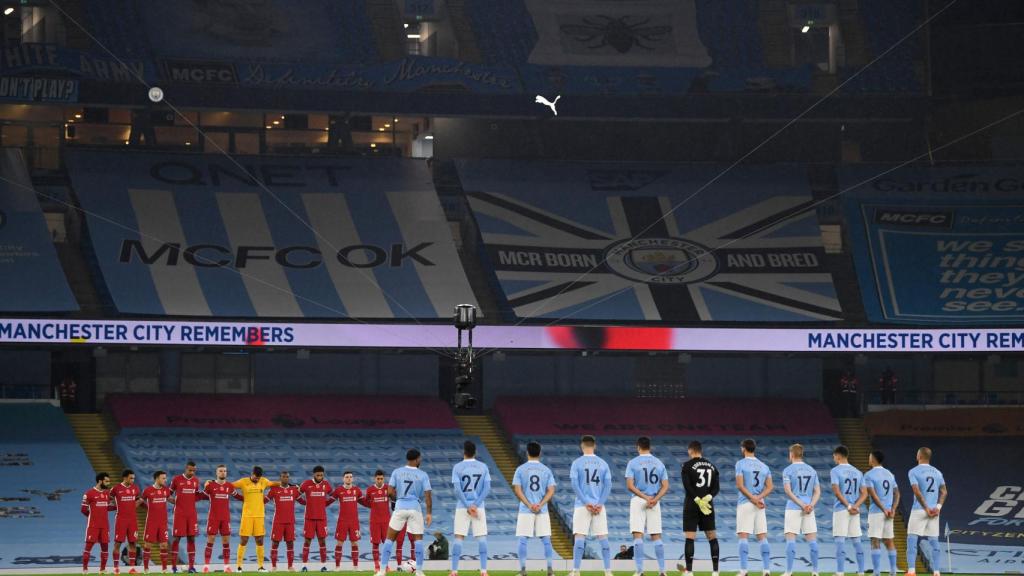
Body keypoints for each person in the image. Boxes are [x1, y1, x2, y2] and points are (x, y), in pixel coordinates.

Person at [374, 449, 433, 576]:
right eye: (420, 458)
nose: (420, 460)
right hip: (415, 508)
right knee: (418, 541)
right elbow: (428, 495)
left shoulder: (397, 472)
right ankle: (419, 571)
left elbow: (389, 492)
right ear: (417, 459)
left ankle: (382, 571)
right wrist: (429, 513)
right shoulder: (423, 475)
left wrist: (399, 498)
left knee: (389, 539)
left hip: (400, 507)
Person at [569, 435, 613, 576]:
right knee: (603, 538)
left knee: (580, 538)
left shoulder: (577, 463)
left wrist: (586, 502)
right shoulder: (603, 463)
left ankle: (576, 571)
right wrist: (599, 503)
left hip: (582, 505)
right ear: (594, 446)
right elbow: (608, 485)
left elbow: (575, 485)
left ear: (582, 446)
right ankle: (608, 571)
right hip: (599, 506)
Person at [625, 436, 669, 576]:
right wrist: (654, 499)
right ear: (650, 447)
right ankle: (662, 570)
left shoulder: (633, 463)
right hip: (654, 501)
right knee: (656, 536)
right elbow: (665, 486)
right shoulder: (659, 463)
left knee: (638, 535)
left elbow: (630, 486)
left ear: (638, 447)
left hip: (638, 500)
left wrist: (645, 497)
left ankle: (639, 571)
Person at [511, 441, 556, 576]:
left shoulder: (520, 469)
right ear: (540, 453)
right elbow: (551, 490)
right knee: (546, 540)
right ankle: (549, 570)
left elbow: (518, 490)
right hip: (542, 510)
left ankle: (523, 570)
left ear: (527, 453)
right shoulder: (546, 470)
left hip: (526, 510)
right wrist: (540, 504)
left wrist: (529, 505)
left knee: (523, 539)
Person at [451, 440, 492, 576]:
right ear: (475, 452)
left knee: (458, 538)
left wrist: (468, 505)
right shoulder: (483, 467)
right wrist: (475, 505)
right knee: (481, 538)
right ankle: (484, 571)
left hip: (462, 507)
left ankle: (454, 571)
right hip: (478, 507)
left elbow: (457, 490)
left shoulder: (457, 467)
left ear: (464, 452)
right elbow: (487, 489)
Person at [680, 441, 720, 576]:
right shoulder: (712, 466)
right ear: (700, 451)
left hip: (692, 504)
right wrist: (708, 497)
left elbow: (687, 485)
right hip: (707, 505)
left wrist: (697, 498)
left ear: (690, 450)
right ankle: (715, 572)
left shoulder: (687, 465)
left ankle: (689, 572)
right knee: (712, 536)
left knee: (690, 537)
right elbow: (716, 488)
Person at [735, 438, 773, 576]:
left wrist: (752, 498)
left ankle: (744, 571)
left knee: (743, 536)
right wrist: (759, 497)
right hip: (760, 505)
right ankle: (767, 570)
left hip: (746, 503)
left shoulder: (740, 464)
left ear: (743, 448)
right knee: (762, 536)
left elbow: (740, 485)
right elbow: (770, 486)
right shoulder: (764, 466)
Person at [906, 447, 947, 576]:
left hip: (920, 509)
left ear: (918, 456)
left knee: (912, 540)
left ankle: (912, 571)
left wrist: (925, 508)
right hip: (934, 511)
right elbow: (944, 491)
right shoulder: (938, 472)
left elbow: (916, 491)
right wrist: (938, 507)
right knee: (934, 542)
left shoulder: (913, 471)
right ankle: (936, 572)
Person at [232, 465, 280, 572]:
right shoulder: (243, 482)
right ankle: (239, 566)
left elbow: (275, 483)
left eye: (258, 478)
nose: (257, 479)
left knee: (260, 540)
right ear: (252, 473)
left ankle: (261, 566)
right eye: (255, 477)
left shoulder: (264, 481)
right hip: (247, 516)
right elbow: (229, 486)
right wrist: (212, 481)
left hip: (259, 515)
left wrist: (287, 484)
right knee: (244, 540)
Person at [782, 444, 821, 576]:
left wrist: (801, 504)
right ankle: (815, 571)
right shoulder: (812, 470)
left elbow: (788, 491)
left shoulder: (787, 470)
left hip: (794, 507)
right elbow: (817, 491)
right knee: (812, 541)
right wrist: (810, 505)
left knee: (791, 539)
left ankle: (788, 572)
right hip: (809, 509)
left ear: (791, 454)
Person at [831, 446, 868, 576]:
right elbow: (864, 493)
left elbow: (836, 491)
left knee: (840, 540)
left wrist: (848, 506)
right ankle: (861, 572)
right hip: (855, 511)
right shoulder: (858, 472)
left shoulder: (835, 471)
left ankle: (840, 572)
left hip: (842, 509)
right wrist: (855, 506)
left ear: (839, 456)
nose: (834, 458)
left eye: (834, 456)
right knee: (856, 540)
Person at [864, 451, 899, 576]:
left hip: (877, 512)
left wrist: (884, 508)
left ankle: (877, 572)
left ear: (873, 459)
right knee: (889, 541)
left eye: (869, 456)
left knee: (875, 540)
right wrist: (893, 508)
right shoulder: (890, 474)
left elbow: (873, 495)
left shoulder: (868, 475)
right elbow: (897, 493)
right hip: (889, 513)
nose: (868, 458)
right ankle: (893, 571)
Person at [202, 465, 241, 573]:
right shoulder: (210, 485)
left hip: (225, 518)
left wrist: (250, 499)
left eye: (224, 471)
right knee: (210, 541)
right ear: (216, 473)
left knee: (226, 542)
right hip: (213, 518)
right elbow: (201, 496)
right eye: (220, 471)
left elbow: (238, 496)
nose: (223, 473)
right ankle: (206, 566)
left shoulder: (229, 486)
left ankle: (226, 567)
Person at [169, 461, 201, 573]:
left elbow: (196, 495)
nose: (192, 472)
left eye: (194, 471)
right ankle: (173, 567)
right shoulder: (177, 479)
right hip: (180, 514)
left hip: (192, 514)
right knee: (177, 538)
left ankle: (191, 567)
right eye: (190, 470)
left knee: (191, 538)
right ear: (185, 469)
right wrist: (175, 502)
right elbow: (167, 493)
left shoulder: (196, 481)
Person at [298, 465, 332, 572]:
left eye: (321, 475)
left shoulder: (326, 485)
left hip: (322, 518)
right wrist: (305, 503)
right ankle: (304, 566)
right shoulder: (306, 484)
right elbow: (296, 494)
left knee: (322, 541)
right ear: (314, 475)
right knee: (307, 541)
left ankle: (323, 566)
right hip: (309, 518)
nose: (320, 477)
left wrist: (324, 504)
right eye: (318, 475)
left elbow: (334, 496)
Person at [267, 471, 301, 572]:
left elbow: (303, 501)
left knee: (290, 544)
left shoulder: (294, 490)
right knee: (275, 544)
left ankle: (290, 566)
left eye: (287, 477)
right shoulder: (274, 489)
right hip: (278, 521)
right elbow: (264, 500)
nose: (285, 478)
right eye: (283, 477)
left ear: (288, 478)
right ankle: (273, 566)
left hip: (290, 522)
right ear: (280, 478)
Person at [327, 471, 363, 570]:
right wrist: (319, 503)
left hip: (354, 521)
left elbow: (364, 502)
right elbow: (328, 501)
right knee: (339, 543)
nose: (349, 478)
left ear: (353, 479)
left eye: (350, 477)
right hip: (342, 521)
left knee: (355, 543)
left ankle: (355, 567)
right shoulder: (338, 490)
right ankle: (337, 567)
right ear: (343, 479)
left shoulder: (357, 490)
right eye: (347, 477)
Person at [360, 470, 392, 572]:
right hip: (374, 521)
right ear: (375, 479)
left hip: (386, 521)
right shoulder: (370, 490)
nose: (379, 480)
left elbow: (394, 499)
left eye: (381, 478)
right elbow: (366, 502)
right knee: (375, 543)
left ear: (384, 479)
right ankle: (377, 566)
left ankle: (386, 566)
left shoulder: (388, 488)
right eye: (378, 478)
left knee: (387, 544)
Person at [111, 469, 141, 574]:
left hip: (132, 520)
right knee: (117, 544)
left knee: (133, 543)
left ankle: (132, 568)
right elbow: (109, 499)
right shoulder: (116, 489)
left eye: (133, 478)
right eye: (131, 478)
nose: (133, 480)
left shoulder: (135, 488)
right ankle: (115, 568)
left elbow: (137, 500)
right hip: (121, 519)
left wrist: (134, 506)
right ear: (125, 477)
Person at [82, 472, 113, 574]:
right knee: (88, 548)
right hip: (93, 526)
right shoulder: (89, 493)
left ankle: (102, 569)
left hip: (105, 526)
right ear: (100, 481)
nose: (108, 483)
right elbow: (83, 509)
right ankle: (85, 569)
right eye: (106, 481)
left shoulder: (107, 493)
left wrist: (118, 507)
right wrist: (92, 517)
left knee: (105, 548)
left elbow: (107, 507)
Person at [142, 471, 172, 573]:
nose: (165, 480)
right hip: (151, 522)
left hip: (163, 523)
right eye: (163, 478)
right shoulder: (148, 490)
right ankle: (146, 568)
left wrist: (181, 501)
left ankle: (164, 568)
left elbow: (170, 499)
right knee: (147, 545)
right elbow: (140, 501)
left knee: (164, 545)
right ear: (157, 479)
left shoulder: (166, 490)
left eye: (165, 478)